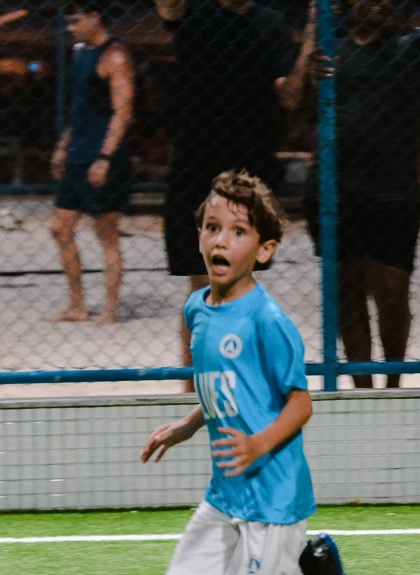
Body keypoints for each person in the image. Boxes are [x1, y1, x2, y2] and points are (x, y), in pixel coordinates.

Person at [140, 171, 361, 575]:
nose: (221, 240)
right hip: (227, 491)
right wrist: (188, 426)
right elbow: (225, 390)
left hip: (272, 493)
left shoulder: (268, 321)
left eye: (238, 232)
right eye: (212, 227)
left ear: (264, 250)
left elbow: (300, 403)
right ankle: (305, 563)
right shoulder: (197, 309)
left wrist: (261, 444)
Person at [283, 0, 420, 389]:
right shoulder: (330, 46)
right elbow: (292, 98)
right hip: (336, 190)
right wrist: (311, 53)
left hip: (394, 190)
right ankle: (362, 389)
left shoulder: (412, 45)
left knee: (393, 292)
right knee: (348, 292)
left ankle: (393, 386)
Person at [154, 0, 295, 391]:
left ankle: (238, 384)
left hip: (251, 165)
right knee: (203, 285)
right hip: (197, 164)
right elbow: (169, 9)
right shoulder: (196, 14)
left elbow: (287, 92)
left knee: (242, 285)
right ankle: (196, 387)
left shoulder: (270, 23)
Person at [47, 0, 135, 324]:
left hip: (102, 156)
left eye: (75, 21)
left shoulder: (115, 56)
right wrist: (63, 146)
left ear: (94, 18)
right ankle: (77, 306)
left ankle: (110, 309)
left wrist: (105, 157)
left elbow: (122, 112)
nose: (70, 28)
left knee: (106, 234)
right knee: (60, 229)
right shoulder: (82, 54)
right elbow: (80, 108)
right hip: (78, 154)